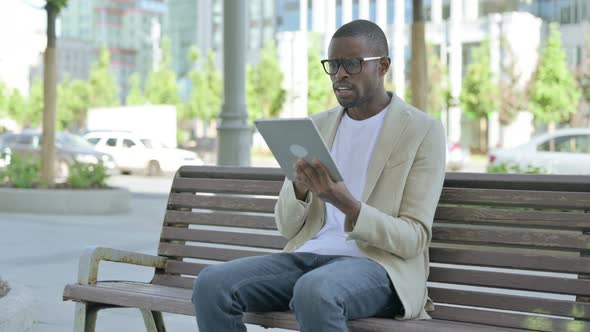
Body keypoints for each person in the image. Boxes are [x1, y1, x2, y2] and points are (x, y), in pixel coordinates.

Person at [192, 19, 446, 331]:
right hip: (307, 258)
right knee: (212, 283)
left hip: (379, 267)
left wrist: (348, 206)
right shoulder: (316, 126)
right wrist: (299, 188)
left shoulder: (422, 130)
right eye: (334, 64)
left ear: (382, 66)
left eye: (352, 64)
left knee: (315, 290)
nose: (339, 74)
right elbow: (286, 228)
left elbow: (414, 238)